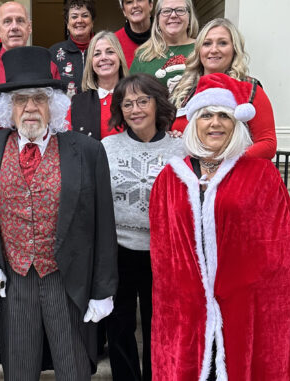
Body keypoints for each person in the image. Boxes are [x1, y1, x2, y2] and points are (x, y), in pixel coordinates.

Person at [0, 46, 118, 380]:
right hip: (14, 280)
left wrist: (103, 288)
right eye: (21, 100)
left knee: (74, 368)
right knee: (18, 369)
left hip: (68, 279)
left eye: (40, 99)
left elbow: (104, 224)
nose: (31, 108)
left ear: (55, 105)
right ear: (8, 107)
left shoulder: (87, 152)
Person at [149, 73, 290, 380]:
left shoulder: (261, 174)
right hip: (187, 308)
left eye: (224, 115)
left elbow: (279, 249)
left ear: (237, 123)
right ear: (193, 122)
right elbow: (163, 249)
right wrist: (180, 292)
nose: (215, 123)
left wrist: (245, 287)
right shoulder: (170, 178)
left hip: (244, 306)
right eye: (206, 115)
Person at [102, 73, 184, 381]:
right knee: (119, 325)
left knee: (158, 326)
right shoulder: (107, 147)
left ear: (157, 103)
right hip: (118, 250)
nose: (135, 109)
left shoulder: (181, 149)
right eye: (127, 104)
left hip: (163, 253)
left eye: (142, 101)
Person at [170, 18, 276, 159]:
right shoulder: (183, 91)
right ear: (199, 50)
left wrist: (224, 165)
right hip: (188, 175)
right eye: (207, 44)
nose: (214, 50)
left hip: (236, 176)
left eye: (223, 43)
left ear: (234, 49)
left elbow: (267, 144)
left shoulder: (249, 90)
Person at [0, 1, 61, 146]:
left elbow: (58, 118)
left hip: (43, 153)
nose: (14, 27)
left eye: (20, 20)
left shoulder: (49, 67)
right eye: (7, 21)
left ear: (29, 27)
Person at [67, 31, 129, 140]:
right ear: (91, 62)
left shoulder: (135, 97)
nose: (103, 58)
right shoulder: (75, 104)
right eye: (97, 54)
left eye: (110, 52)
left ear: (119, 56)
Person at [129, 0, 198, 92]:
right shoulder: (143, 55)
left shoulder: (202, 49)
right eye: (166, 11)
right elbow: (130, 93)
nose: (173, 15)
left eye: (180, 10)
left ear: (190, 17)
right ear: (157, 19)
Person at [48, 0, 96, 98]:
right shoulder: (53, 53)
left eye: (85, 15)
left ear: (92, 22)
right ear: (67, 23)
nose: (79, 20)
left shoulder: (103, 50)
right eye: (74, 16)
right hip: (66, 112)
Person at [115, 0, 154, 67]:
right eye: (129, 2)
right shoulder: (115, 41)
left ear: (151, 5)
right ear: (124, 11)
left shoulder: (166, 34)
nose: (135, 5)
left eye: (140, 0)